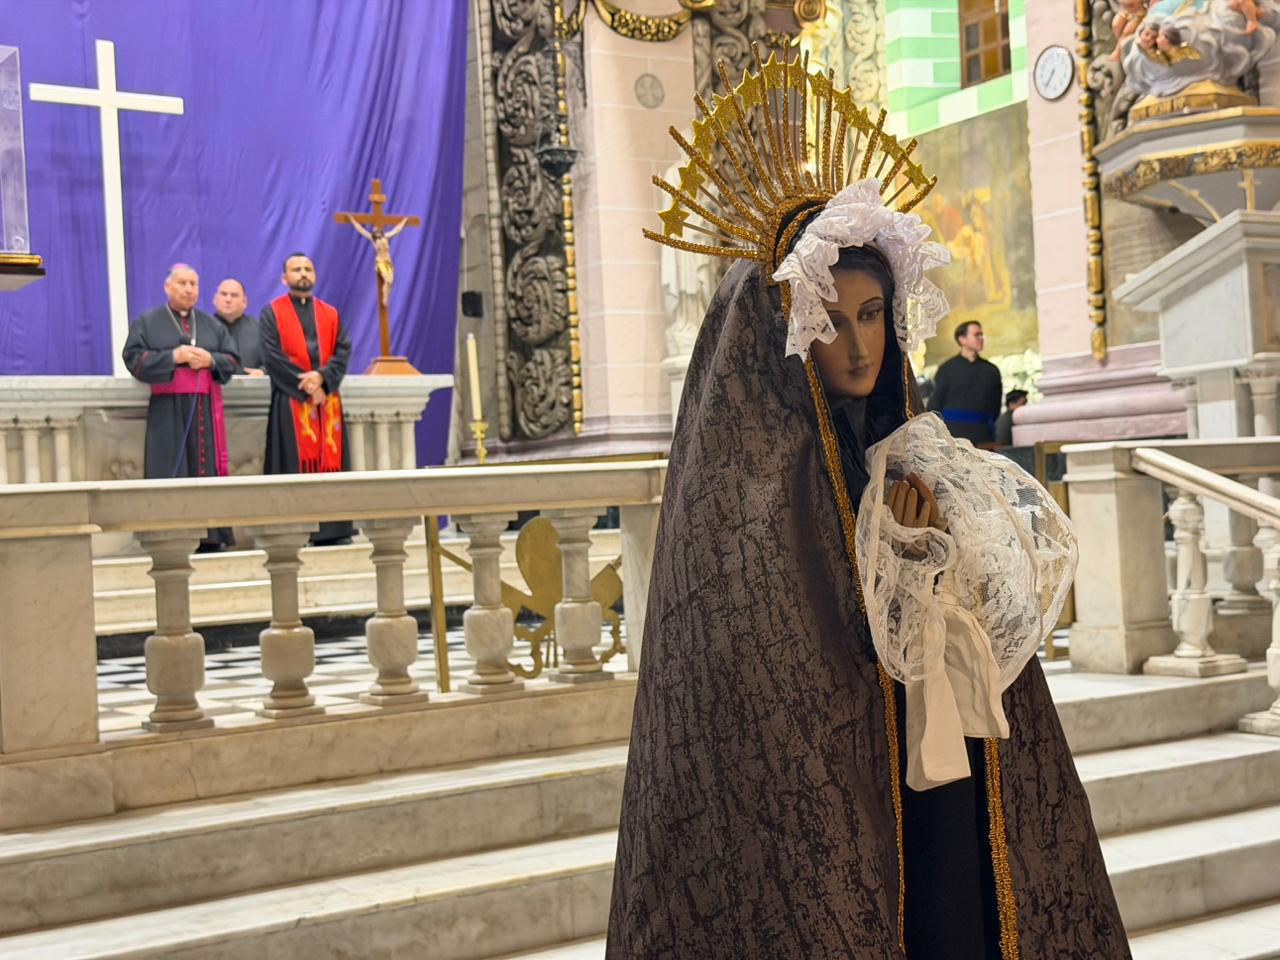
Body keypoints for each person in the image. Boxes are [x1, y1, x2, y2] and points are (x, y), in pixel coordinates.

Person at [608, 46, 1130, 959]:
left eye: (875, 315)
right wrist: (885, 577)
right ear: (787, 331)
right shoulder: (745, 501)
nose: (860, 345)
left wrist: (943, 557)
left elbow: (992, 632)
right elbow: (776, 672)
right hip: (834, 803)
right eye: (835, 319)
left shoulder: (909, 450)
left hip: (942, 785)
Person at [122, 264, 239, 551]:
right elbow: (133, 358)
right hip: (167, 411)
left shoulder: (212, 325)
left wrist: (210, 361)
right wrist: (173, 356)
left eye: (194, 284)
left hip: (204, 410)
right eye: (183, 283)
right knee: (168, 470)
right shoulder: (148, 321)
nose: (189, 289)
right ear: (168, 287)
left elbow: (233, 360)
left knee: (205, 470)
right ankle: (167, 535)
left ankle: (210, 537)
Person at [259, 252, 354, 545]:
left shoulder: (330, 313)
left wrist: (323, 377)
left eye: (308, 269)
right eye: (296, 269)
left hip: (327, 401)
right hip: (291, 400)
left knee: (332, 464)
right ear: (284, 278)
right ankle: (295, 530)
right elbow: (271, 356)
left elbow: (343, 350)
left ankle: (334, 530)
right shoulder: (272, 312)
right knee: (292, 464)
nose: (303, 273)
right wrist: (307, 386)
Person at [928, 321, 1003, 446]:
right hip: (952, 436)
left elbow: (996, 406)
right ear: (962, 339)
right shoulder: (947, 369)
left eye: (981, 335)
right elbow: (936, 403)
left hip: (983, 436)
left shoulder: (991, 370)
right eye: (976, 335)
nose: (981, 338)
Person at [212, 278, 265, 375]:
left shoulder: (260, 329)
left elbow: (273, 362)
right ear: (215, 299)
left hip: (251, 388)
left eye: (234, 295)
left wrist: (262, 371)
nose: (228, 300)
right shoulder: (203, 328)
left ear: (244, 302)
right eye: (223, 294)